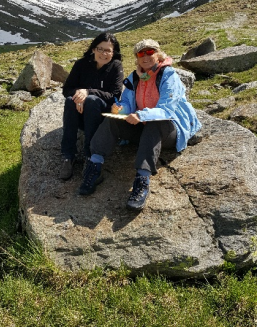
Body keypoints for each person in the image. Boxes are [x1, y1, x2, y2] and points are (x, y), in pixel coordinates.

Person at [79, 38, 202, 211]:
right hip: (142, 126)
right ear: (137, 58)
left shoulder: (168, 75)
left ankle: (142, 181)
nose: (145, 56)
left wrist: (141, 114)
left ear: (158, 54)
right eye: (141, 53)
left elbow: (167, 109)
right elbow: (128, 102)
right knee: (111, 120)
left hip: (170, 129)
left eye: (150, 52)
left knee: (155, 123)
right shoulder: (134, 78)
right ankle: (94, 167)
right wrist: (121, 109)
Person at [60, 32, 124, 180]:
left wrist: (88, 92)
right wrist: (78, 96)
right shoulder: (81, 64)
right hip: (81, 112)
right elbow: (67, 89)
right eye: (100, 49)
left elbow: (115, 95)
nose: (103, 53)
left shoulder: (116, 66)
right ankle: (68, 156)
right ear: (93, 49)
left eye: (108, 50)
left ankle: (89, 155)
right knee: (70, 100)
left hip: (102, 115)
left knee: (92, 100)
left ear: (113, 52)